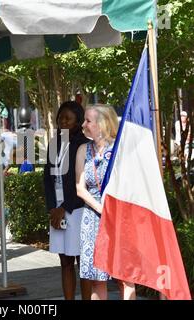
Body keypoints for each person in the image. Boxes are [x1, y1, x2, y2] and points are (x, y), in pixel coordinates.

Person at [75, 104, 135, 300]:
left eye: (88, 121)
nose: (83, 124)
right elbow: (80, 189)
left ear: (101, 124)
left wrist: (113, 211)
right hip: (92, 218)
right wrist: (101, 209)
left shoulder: (120, 148)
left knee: (125, 277)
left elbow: (130, 183)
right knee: (96, 279)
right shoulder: (83, 149)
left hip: (119, 217)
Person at [44, 101, 91, 300]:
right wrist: (52, 208)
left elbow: (83, 182)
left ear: (78, 121)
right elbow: (47, 178)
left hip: (77, 210)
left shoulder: (84, 145)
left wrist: (64, 207)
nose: (63, 121)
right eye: (61, 117)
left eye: (68, 118)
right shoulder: (54, 143)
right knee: (65, 262)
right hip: (57, 210)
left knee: (82, 262)